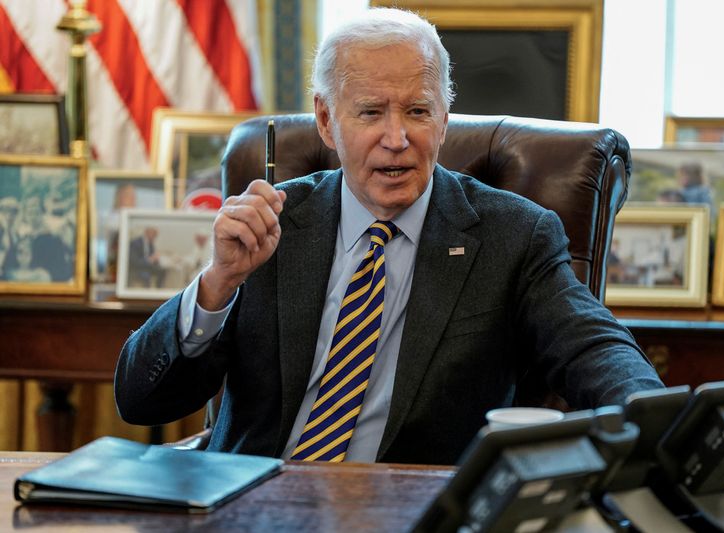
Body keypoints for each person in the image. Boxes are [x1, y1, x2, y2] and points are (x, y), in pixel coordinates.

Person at [115, 7, 663, 465]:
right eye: (371, 112)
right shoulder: (274, 226)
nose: (397, 139)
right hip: (252, 506)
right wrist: (218, 285)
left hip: (411, 512)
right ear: (327, 122)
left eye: (418, 112)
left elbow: (598, 351)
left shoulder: (512, 236)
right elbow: (140, 400)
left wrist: (665, 429)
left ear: (444, 120)